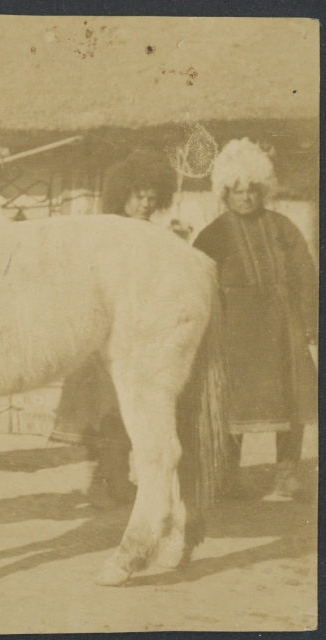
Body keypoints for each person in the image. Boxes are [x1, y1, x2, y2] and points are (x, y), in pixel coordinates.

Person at [50, 148, 178, 506]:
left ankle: (117, 480)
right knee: (103, 411)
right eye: (139, 197)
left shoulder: (154, 236)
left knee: (130, 412)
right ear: (123, 195)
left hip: (137, 335)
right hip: (101, 335)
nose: (145, 205)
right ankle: (105, 482)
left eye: (152, 199)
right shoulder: (104, 232)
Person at [192, 138, 317, 501]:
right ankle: (228, 476)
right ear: (225, 194)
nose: (246, 198)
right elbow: (196, 282)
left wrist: (310, 322)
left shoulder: (283, 227)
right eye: (238, 191)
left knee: (293, 399)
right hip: (235, 332)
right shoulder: (213, 235)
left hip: (283, 327)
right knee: (232, 405)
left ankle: (286, 475)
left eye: (252, 190)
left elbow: (306, 275)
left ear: (263, 191)